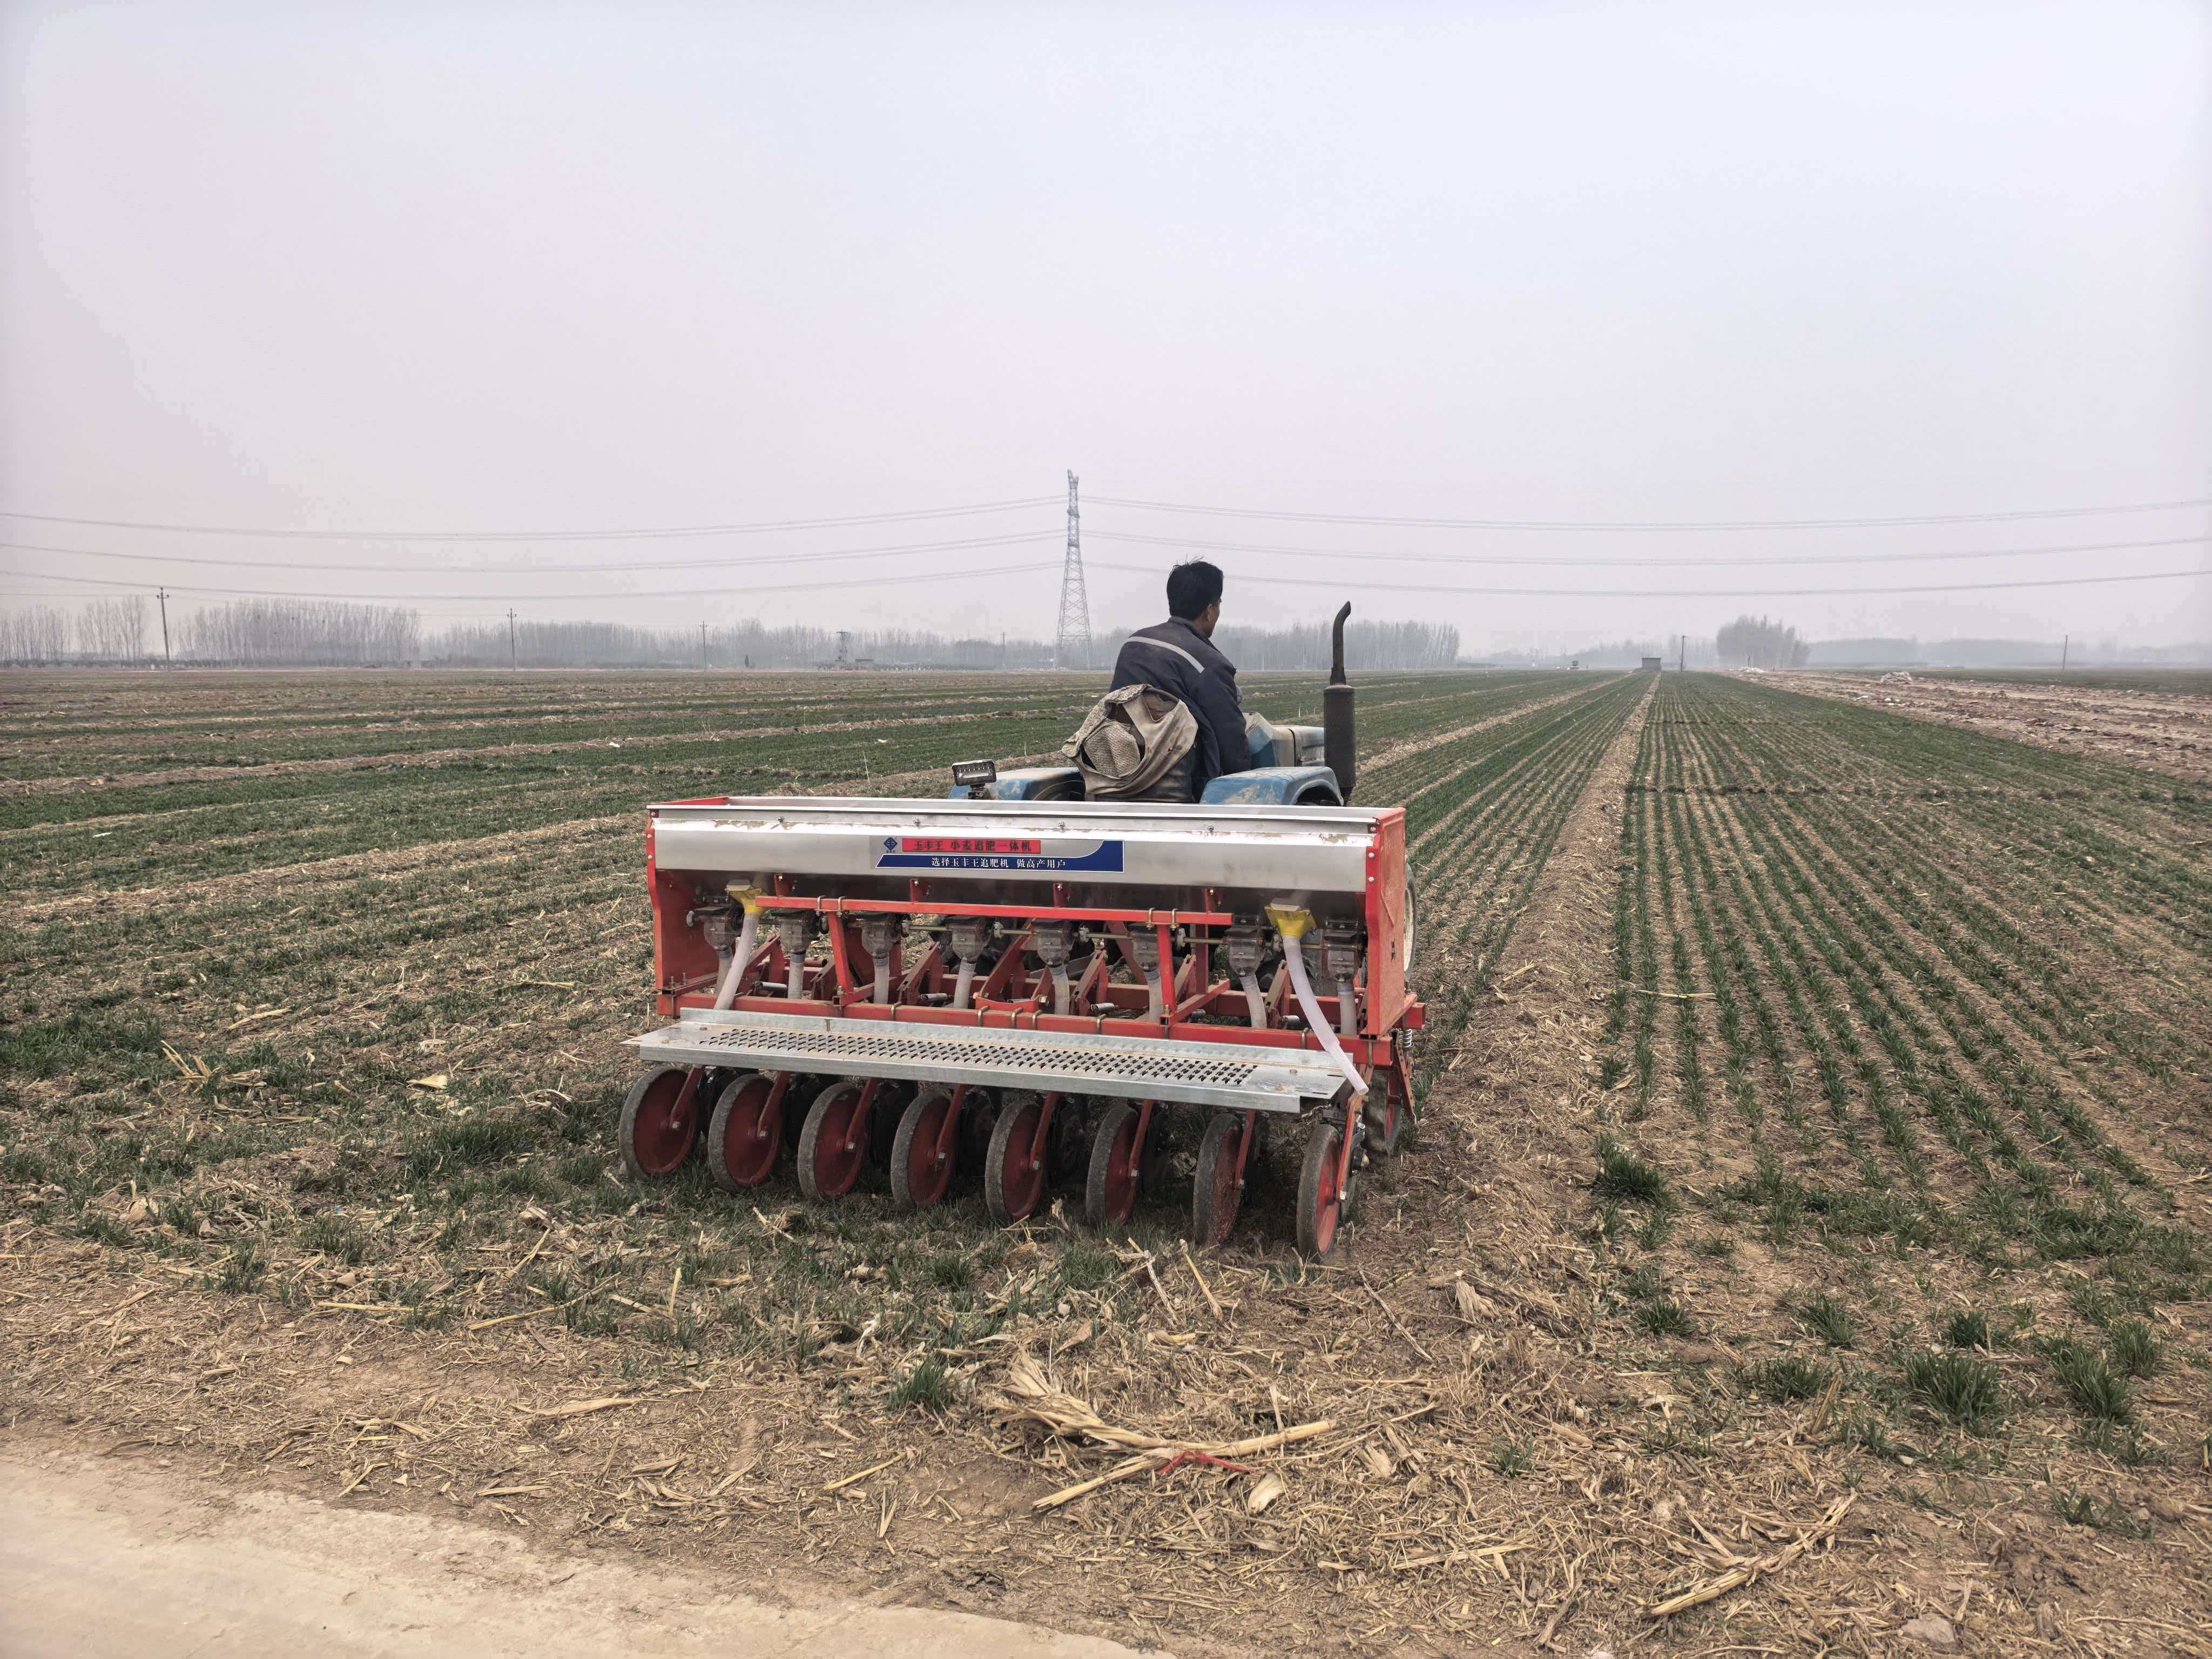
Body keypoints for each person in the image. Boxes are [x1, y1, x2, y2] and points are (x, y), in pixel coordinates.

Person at [1109, 559, 1250, 800]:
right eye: (1218, 605)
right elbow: (1232, 747)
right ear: (1209, 611)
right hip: (1184, 789)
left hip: (1120, 772)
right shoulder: (1209, 663)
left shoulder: (1134, 645)